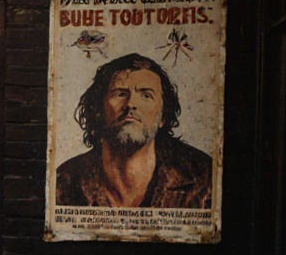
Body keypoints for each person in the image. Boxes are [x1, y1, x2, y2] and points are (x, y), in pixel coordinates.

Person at [55, 53, 212, 208]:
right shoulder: (65, 181)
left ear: (163, 116)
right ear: (98, 110)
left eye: (146, 95)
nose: (130, 104)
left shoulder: (203, 177)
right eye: (120, 94)